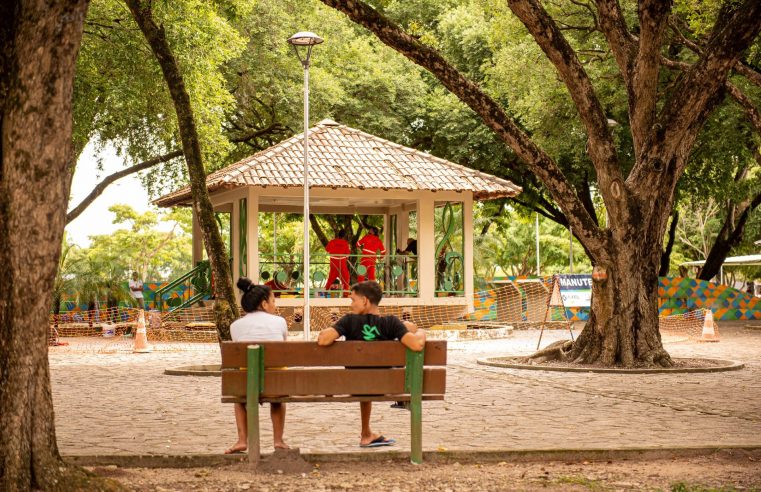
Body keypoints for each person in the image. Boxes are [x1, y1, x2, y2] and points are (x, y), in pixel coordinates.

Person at [317, 281, 425, 448]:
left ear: (365, 301)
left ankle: (366, 433)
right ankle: (367, 433)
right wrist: (420, 332)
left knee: (363, 375)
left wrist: (337, 325)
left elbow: (323, 339)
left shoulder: (348, 321)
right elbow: (417, 345)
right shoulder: (390, 322)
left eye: (353, 300)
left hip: (354, 385)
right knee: (370, 375)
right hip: (386, 385)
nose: (351, 304)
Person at [225, 277, 289, 454]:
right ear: (264, 304)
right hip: (278, 384)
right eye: (273, 301)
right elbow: (283, 346)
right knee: (278, 398)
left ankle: (242, 440)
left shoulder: (235, 326)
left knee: (239, 400)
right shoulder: (280, 322)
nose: (275, 305)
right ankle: (278, 440)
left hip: (246, 384)